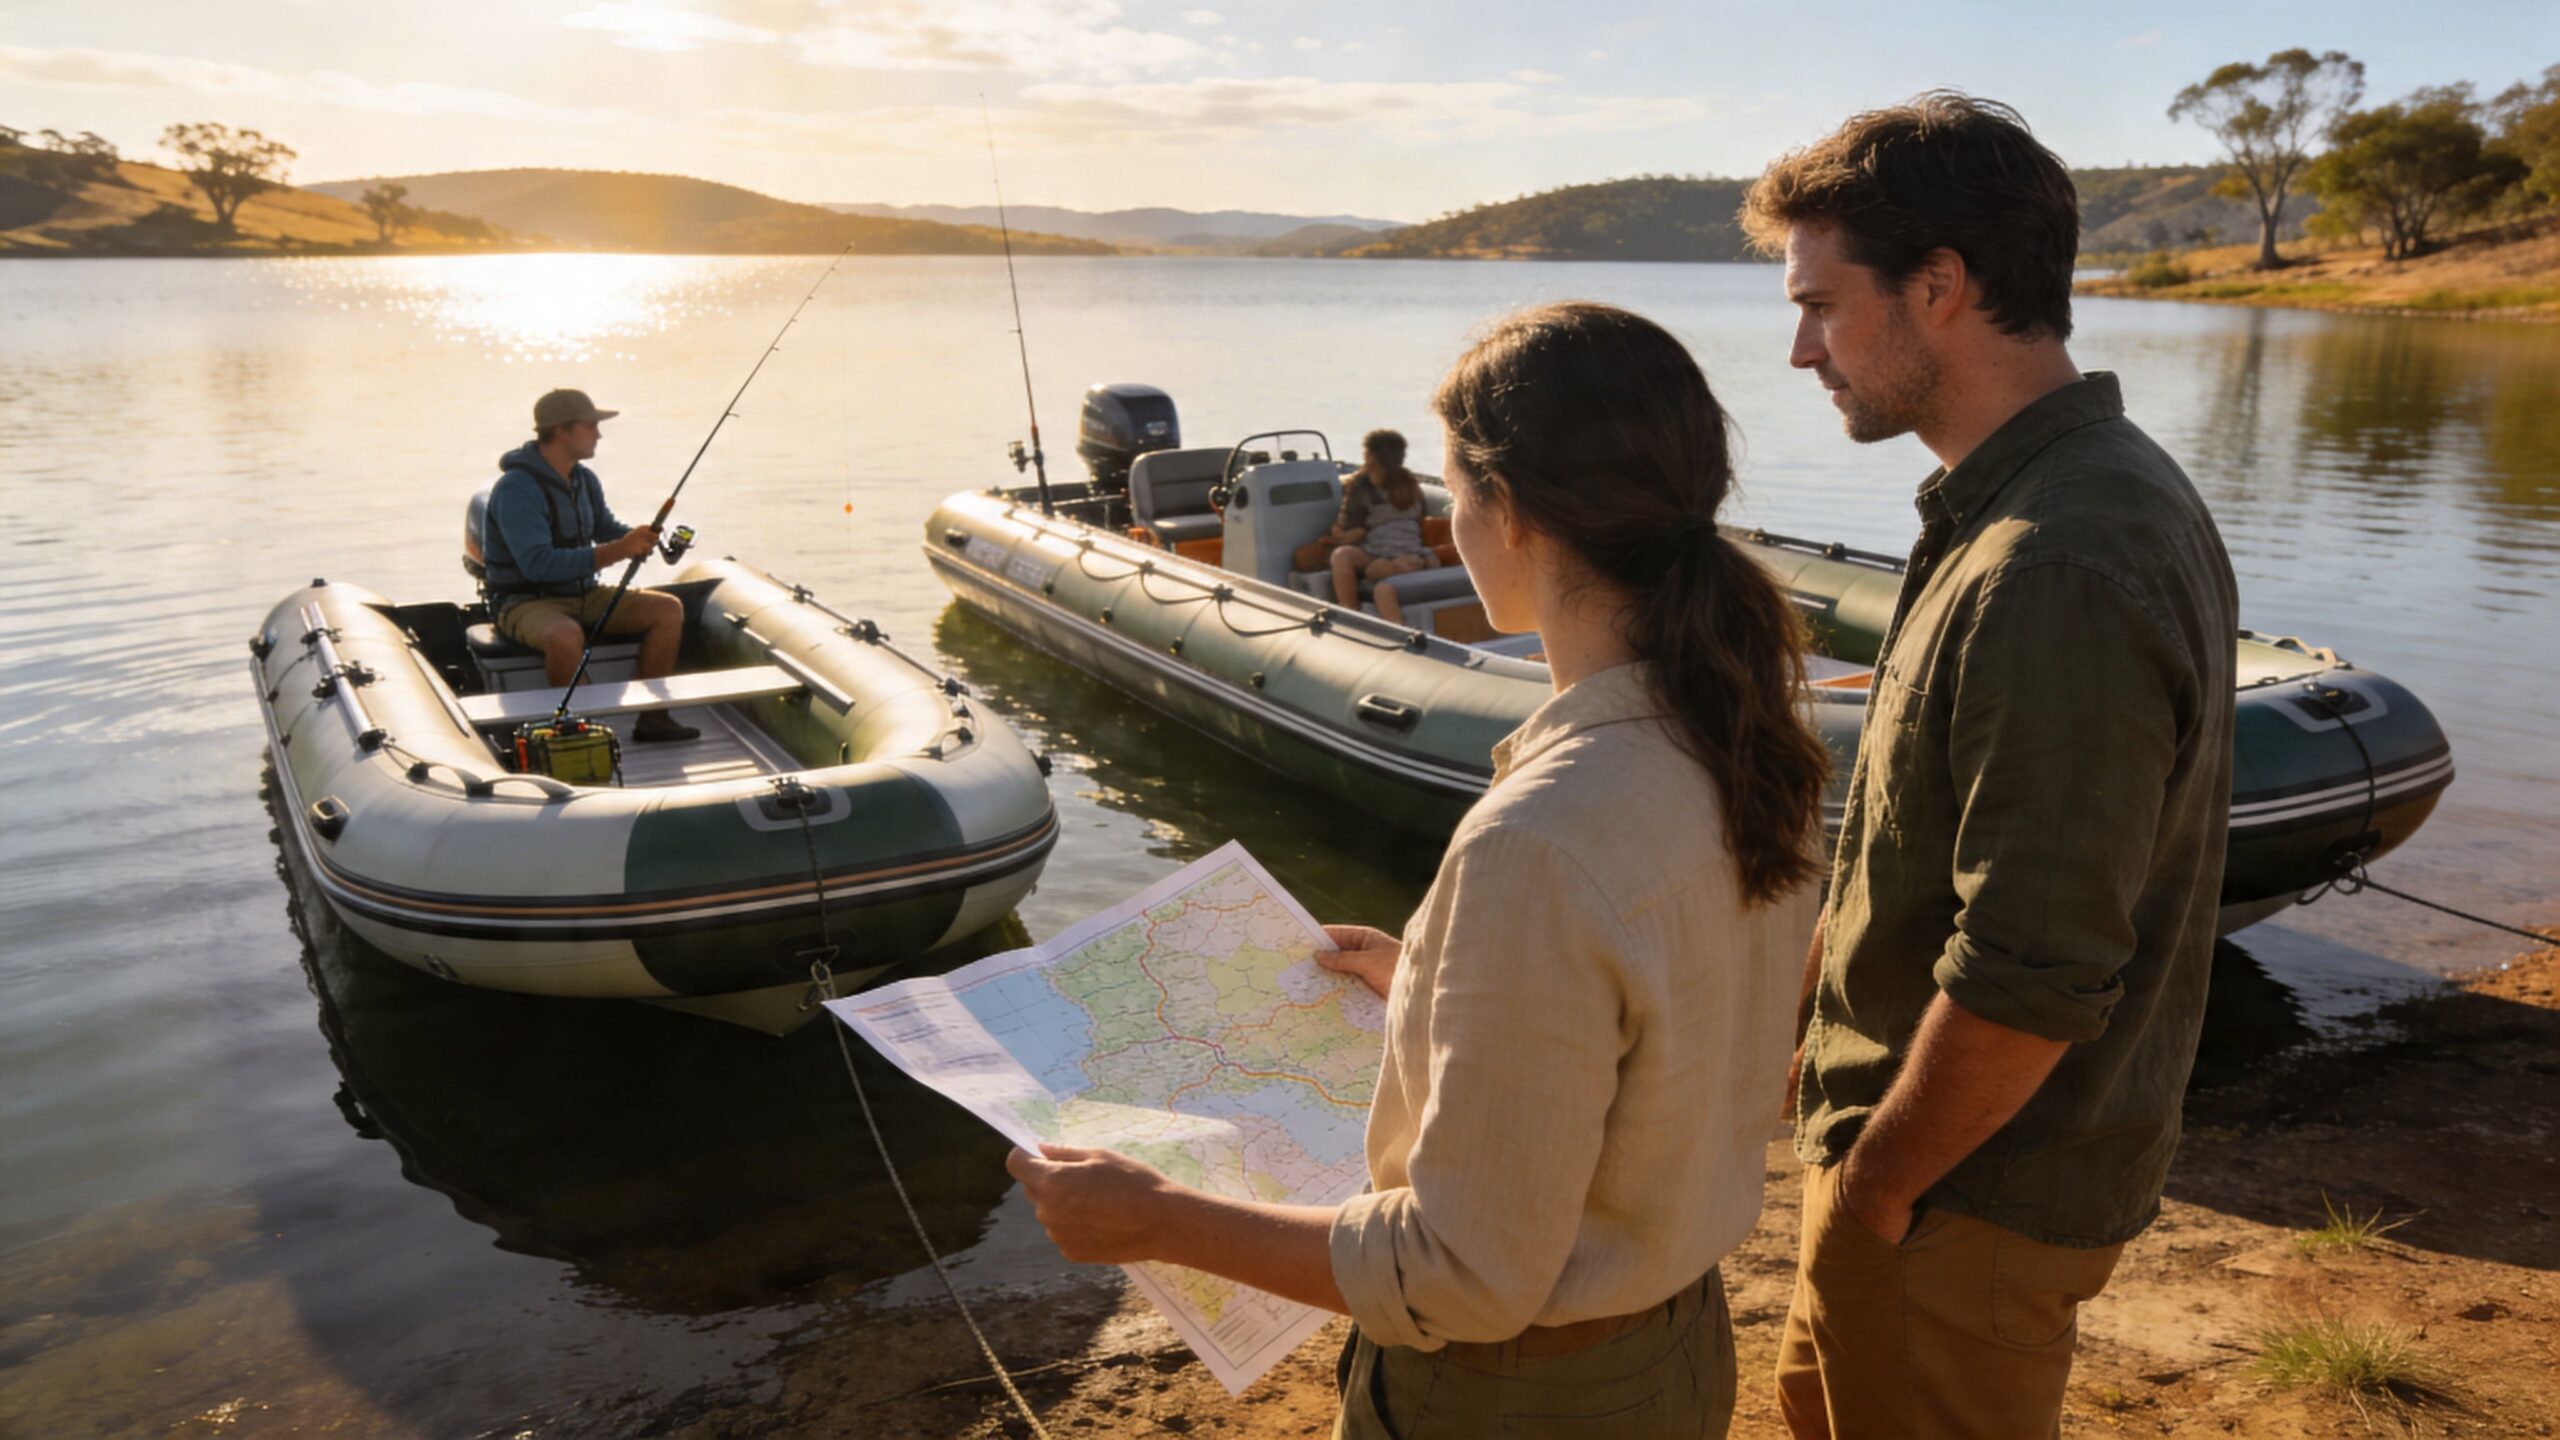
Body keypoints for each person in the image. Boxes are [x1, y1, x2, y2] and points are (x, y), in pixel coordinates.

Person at [1006, 303, 1833, 1438]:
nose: (1449, 521)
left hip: (1518, 1402)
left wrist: (1153, 1217)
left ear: (1514, 512)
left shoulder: (1539, 840)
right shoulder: (1748, 744)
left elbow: (1459, 1273)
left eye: (1456, 490)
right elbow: (1670, 1036)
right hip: (1674, 1351)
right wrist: (1434, 989)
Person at [1742, 92, 2239, 1438]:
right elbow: (1917, 846)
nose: (1801, 350)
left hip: (1959, 1199)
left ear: (1942, 286)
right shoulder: (2026, 504)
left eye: (1823, 305)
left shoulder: (2059, 556)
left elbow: (2037, 952)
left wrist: (1880, 1185)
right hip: (1927, 1178)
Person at [483, 388, 697, 742]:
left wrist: (641, 537)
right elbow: (538, 565)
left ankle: (653, 719)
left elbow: (603, 529)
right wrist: (620, 549)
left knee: (667, 610)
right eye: (591, 426)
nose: (598, 434)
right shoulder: (515, 490)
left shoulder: (584, 479)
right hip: (525, 603)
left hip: (585, 592)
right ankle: (582, 735)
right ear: (561, 431)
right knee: (565, 635)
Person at [1293, 430, 1433, 598]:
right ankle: (1402, 566)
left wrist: (1332, 536)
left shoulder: (1362, 486)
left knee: (1337, 556)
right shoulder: (1410, 482)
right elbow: (1420, 517)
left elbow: (1354, 532)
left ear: (1369, 456)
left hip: (1377, 550)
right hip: (1412, 549)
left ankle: (1350, 608)